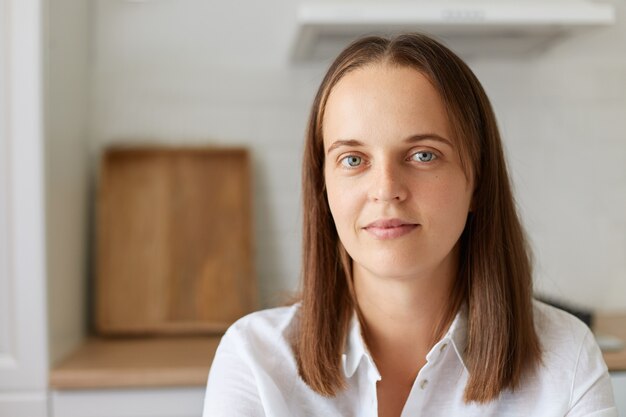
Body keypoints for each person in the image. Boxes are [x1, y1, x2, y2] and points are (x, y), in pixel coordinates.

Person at [202, 33, 617, 417]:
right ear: (323, 189)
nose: (386, 190)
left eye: (423, 155)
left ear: (479, 183)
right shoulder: (254, 360)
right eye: (352, 159)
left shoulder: (568, 359)